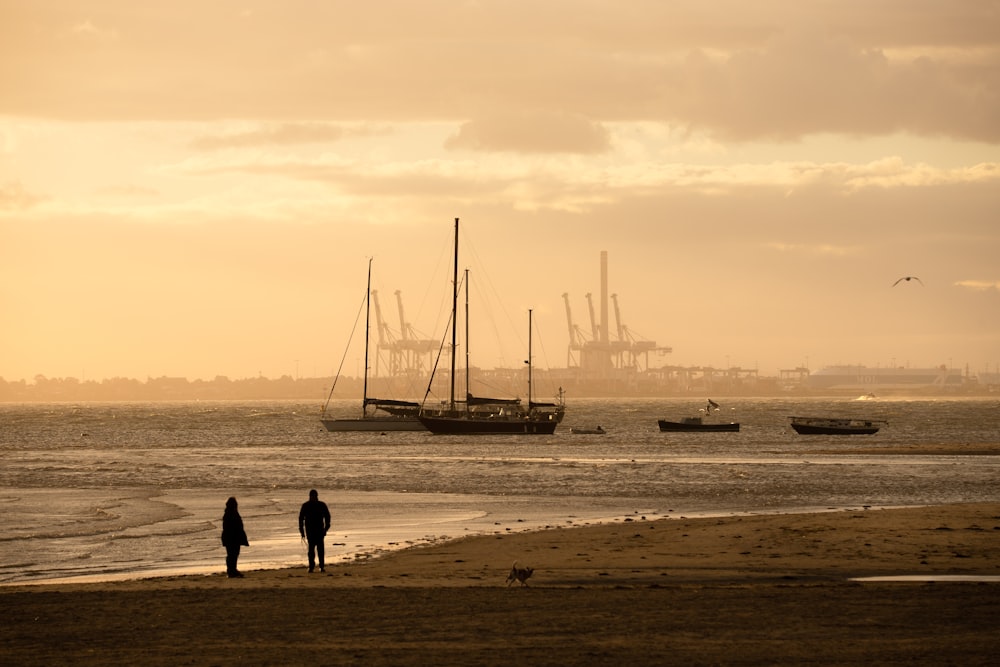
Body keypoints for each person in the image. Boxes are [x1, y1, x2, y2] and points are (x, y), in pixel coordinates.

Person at [298, 489, 331, 573]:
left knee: (320, 550)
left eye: (314, 496)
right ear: (310, 496)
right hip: (310, 531)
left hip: (320, 531)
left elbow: (327, 517)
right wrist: (302, 531)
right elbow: (301, 519)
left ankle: (321, 566)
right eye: (312, 496)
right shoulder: (306, 505)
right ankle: (311, 567)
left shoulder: (321, 505)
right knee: (311, 550)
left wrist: (326, 529)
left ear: (317, 496)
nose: (313, 497)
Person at [221, 496, 249, 578]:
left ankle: (232, 570)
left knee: (232, 554)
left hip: (230, 537)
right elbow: (235, 527)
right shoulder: (232, 513)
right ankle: (232, 570)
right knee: (233, 554)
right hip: (233, 537)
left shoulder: (228, 513)